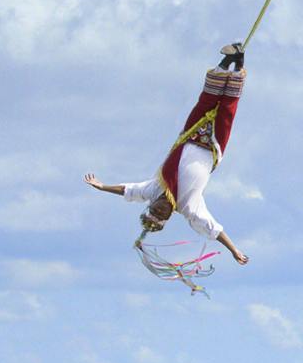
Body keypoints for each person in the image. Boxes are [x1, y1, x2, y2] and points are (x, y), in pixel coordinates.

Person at [84, 44, 253, 264]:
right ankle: (238, 63)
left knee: (205, 103)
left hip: (190, 136)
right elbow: (213, 229)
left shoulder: (154, 189)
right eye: (162, 213)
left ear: (151, 205)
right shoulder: (189, 206)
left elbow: (129, 190)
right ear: (168, 216)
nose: (161, 207)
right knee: (227, 109)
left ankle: (224, 64)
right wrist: (234, 251)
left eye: (155, 208)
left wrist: (102, 186)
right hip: (213, 146)